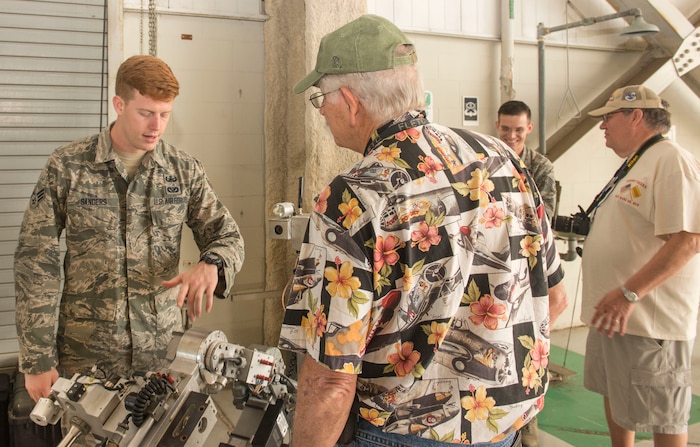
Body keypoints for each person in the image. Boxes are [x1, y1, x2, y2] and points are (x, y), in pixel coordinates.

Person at [278, 14, 568, 447]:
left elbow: (330, 382)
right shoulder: (502, 159)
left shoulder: (353, 197)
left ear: (352, 102)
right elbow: (554, 297)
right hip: (502, 427)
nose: (322, 112)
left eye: (322, 98)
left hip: (401, 433)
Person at [15, 55, 245, 404]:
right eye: (146, 113)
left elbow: (226, 235)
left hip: (162, 358)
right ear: (119, 105)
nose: (157, 125)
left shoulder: (182, 171)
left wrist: (212, 263)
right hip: (86, 360)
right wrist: (36, 359)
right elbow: (36, 261)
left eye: (165, 114)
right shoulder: (68, 166)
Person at [581, 85, 700, 447]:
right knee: (617, 398)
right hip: (616, 315)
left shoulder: (671, 159)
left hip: (647, 317)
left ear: (636, 116)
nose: (602, 126)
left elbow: (688, 239)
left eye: (608, 117)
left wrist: (631, 293)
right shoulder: (638, 161)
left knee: (663, 414)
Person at [496, 100, 557, 219]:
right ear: (497, 125)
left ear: (529, 128)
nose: (512, 135)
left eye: (519, 130)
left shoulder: (542, 167)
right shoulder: (483, 162)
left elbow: (546, 215)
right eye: (506, 129)